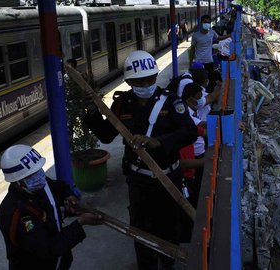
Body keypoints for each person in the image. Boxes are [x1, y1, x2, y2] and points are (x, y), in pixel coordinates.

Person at [83, 50, 198, 270]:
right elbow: (107, 135)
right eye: (139, 80)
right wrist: (91, 113)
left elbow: (189, 132)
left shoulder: (171, 101)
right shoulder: (122, 104)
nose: (145, 84)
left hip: (168, 179)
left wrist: (159, 142)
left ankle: (167, 263)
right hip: (139, 182)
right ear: (129, 81)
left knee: (169, 229)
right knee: (140, 230)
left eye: (150, 79)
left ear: (156, 77)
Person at [0, 145, 103, 270]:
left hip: (59, 262)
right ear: (17, 183)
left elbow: (59, 188)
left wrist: (68, 197)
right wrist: (80, 223)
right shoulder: (16, 213)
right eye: (32, 175)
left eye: (39, 170)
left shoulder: (38, 183)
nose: (40, 176)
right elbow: (48, 249)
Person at [190, 15, 229, 94]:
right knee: (199, 82)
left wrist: (230, 35)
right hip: (199, 62)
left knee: (210, 81)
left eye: (208, 22)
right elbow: (192, 49)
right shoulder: (195, 35)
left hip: (209, 61)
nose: (207, 24)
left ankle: (208, 99)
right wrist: (190, 62)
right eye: (205, 22)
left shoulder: (212, 33)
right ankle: (200, 97)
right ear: (201, 23)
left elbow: (219, 38)